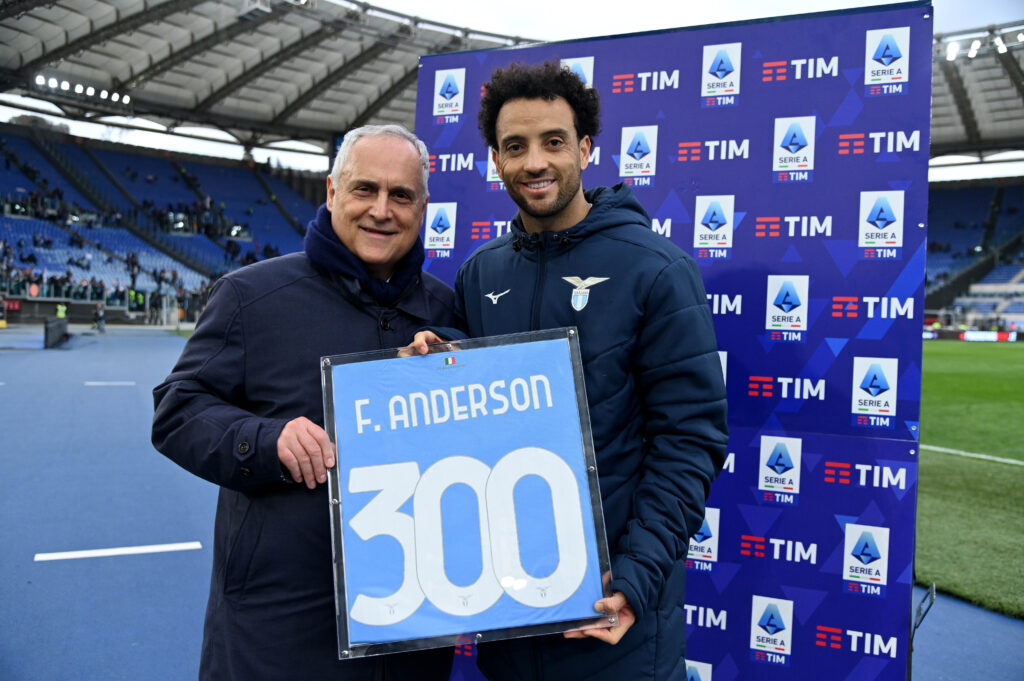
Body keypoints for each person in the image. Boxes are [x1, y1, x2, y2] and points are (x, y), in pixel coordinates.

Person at [406, 61, 728, 681]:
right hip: (509, 619)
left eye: (553, 141)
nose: (535, 162)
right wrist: (441, 356)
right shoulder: (480, 272)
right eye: (515, 146)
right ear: (495, 160)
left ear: (584, 148)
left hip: (614, 623)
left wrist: (634, 577)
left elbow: (689, 441)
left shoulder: (657, 269)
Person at [152, 124, 457, 681]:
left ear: (423, 208)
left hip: (410, 636)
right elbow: (177, 410)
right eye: (365, 189)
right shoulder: (251, 296)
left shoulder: (447, 310)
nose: (382, 210)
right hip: (276, 637)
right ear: (333, 192)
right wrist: (265, 441)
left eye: (401, 195)